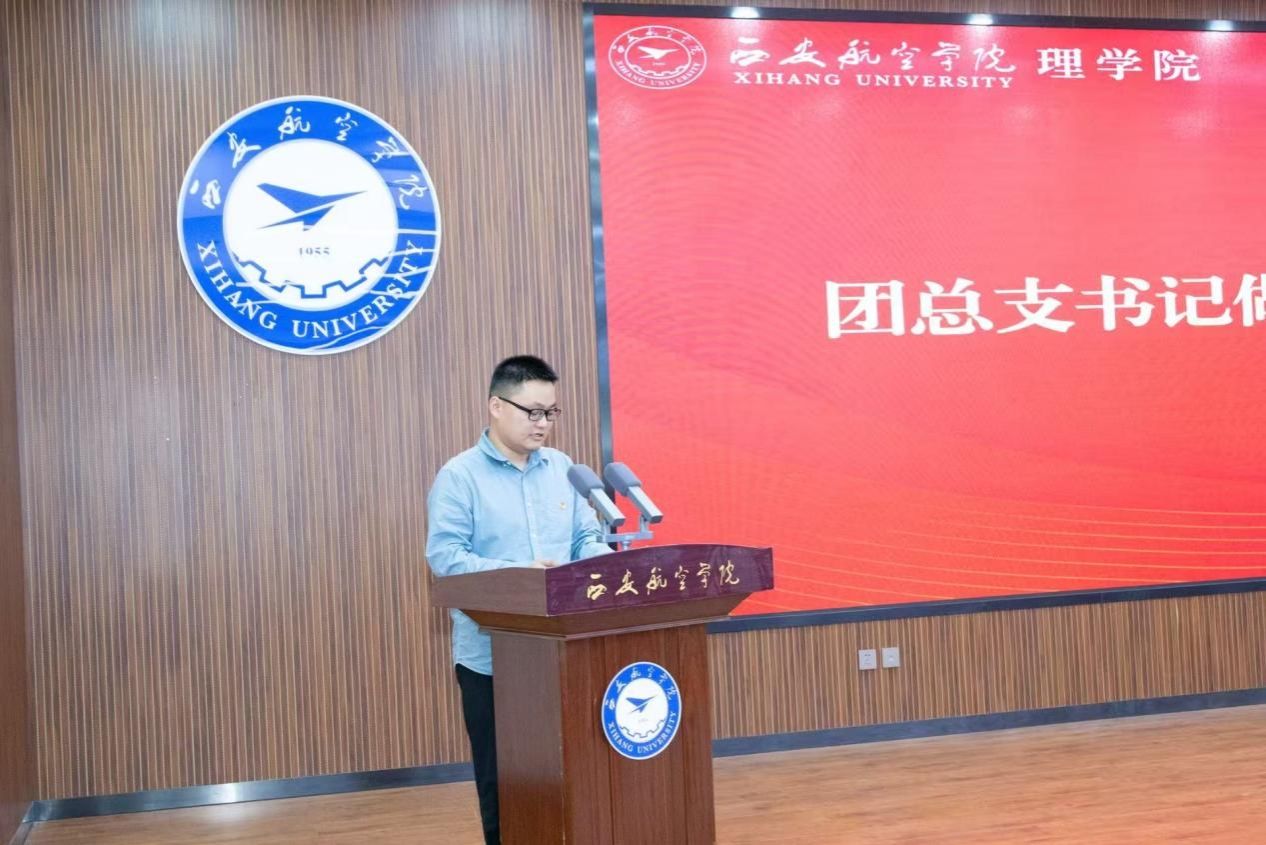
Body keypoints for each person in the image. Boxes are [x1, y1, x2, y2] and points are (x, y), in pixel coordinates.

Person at [426, 355, 611, 845]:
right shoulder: (460, 477)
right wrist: (518, 576)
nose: (542, 424)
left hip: (566, 654)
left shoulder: (564, 469)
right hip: (493, 662)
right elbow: (446, 558)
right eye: (532, 412)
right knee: (506, 786)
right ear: (496, 406)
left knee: (572, 774)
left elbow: (585, 538)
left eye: (550, 413)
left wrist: (606, 564)